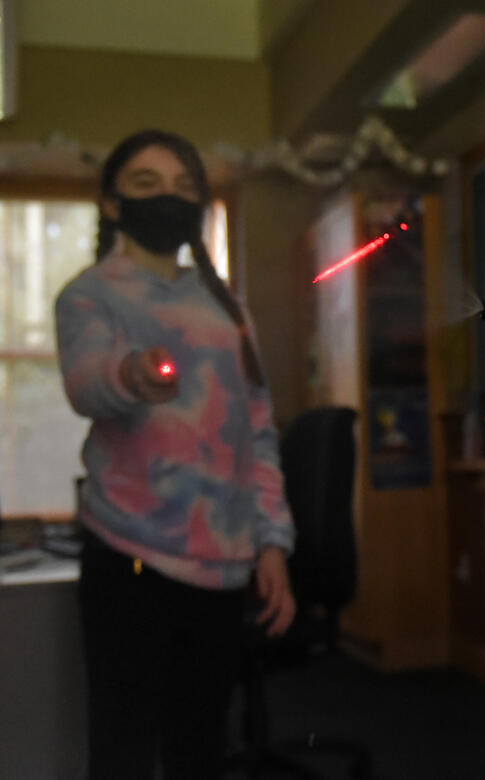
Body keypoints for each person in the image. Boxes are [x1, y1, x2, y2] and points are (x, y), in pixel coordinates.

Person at [55, 129, 297, 779]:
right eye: (145, 184)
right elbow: (86, 384)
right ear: (111, 204)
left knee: (199, 750)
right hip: (131, 560)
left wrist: (271, 541)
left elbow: (259, 429)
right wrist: (130, 375)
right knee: (124, 750)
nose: (168, 197)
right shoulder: (88, 295)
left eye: (184, 187)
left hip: (222, 569)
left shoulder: (224, 305)